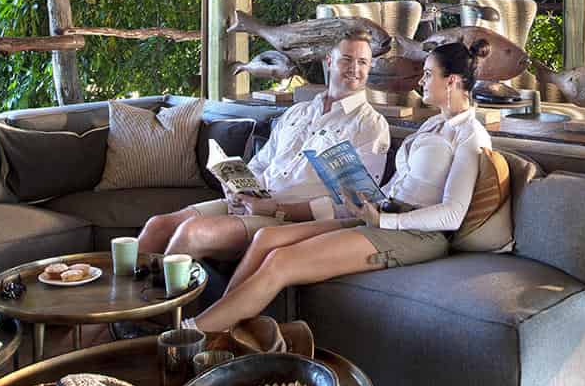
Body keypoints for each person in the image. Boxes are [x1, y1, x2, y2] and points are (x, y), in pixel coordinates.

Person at [191, 40, 493, 336]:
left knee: (281, 261)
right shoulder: (433, 124)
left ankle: (194, 334)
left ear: (451, 81)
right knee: (268, 237)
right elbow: (404, 183)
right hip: (383, 212)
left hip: (417, 233)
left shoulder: (471, 134)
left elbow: (453, 214)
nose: (421, 81)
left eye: (428, 74)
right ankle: (221, 327)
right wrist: (366, 199)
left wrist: (385, 221)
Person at [134, 29, 390, 264]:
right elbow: (261, 163)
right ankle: (129, 299)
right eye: (347, 59)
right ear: (330, 61)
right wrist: (239, 190)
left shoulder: (369, 125)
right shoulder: (298, 112)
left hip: (289, 220)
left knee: (191, 234)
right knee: (158, 226)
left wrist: (277, 210)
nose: (354, 68)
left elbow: (353, 204)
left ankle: (157, 300)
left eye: (362, 62)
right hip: (254, 203)